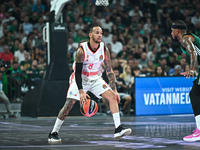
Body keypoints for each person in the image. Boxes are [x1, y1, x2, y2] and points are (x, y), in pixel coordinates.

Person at [48, 26, 132, 142]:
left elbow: (109, 69)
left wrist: (115, 90)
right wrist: (81, 91)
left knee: (113, 97)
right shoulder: (81, 51)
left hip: (96, 79)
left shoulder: (104, 49)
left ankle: (118, 128)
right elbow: (77, 73)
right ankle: (53, 133)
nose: (100, 35)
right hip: (81, 78)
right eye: (97, 33)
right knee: (69, 104)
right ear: (90, 35)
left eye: (101, 33)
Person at [171, 20, 200, 142]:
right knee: (195, 94)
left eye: (171, 31)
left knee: (194, 94)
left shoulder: (185, 39)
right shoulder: (189, 38)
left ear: (177, 30)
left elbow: (193, 52)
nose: (171, 33)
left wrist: (192, 69)